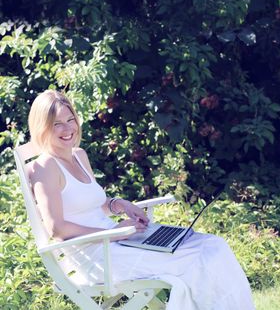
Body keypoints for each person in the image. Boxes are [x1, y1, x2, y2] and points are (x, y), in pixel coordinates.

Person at [28, 89, 255, 310]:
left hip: (117, 240)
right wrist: (115, 233)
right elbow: (56, 228)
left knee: (212, 246)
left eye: (70, 119)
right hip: (98, 258)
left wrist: (120, 205)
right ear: (43, 128)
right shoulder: (45, 167)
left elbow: (93, 205)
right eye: (57, 124)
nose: (68, 129)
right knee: (196, 260)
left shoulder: (78, 155)